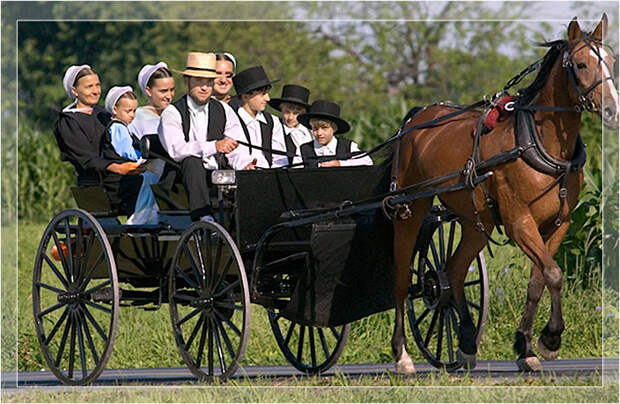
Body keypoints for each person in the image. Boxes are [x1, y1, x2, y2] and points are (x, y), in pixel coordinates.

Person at [158, 52, 254, 221]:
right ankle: (203, 216)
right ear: (187, 81)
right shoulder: (172, 113)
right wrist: (214, 146)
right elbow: (177, 150)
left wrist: (244, 164)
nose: (204, 88)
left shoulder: (223, 110)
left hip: (217, 178)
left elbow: (236, 144)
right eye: (199, 81)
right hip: (183, 180)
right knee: (191, 160)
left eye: (209, 82)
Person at [54, 65, 144, 215]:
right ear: (75, 91)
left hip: (122, 175)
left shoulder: (104, 114)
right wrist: (117, 167)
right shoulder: (68, 121)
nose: (96, 91)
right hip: (98, 183)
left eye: (97, 85)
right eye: (89, 87)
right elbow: (86, 158)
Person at [103, 86, 159, 225]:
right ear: (115, 110)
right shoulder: (117, 127)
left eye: (134, 111)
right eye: (128, 111)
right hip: (121, 178)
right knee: (151, 178)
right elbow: (125, 149)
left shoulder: (124, 128)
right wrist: (142, 158)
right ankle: (142, 218)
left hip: (128, 175)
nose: (132, 115)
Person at [232, 65, 288, 168]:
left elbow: (280, 157)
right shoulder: (232, 120)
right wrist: (244, 167)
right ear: (245, 97)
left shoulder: (273, 121)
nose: (268, 99)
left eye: (267, 93)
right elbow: (234, 154)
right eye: (263, 94)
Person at [297, 100, 373, 168]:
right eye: (315, 128)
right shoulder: (303, 149)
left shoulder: (348, 146)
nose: (319, 133)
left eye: (324, 128)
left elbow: (367, 162)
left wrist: (340, 164)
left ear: (334, 128)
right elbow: (294, 170)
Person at [268, 84, 313, 166]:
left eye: (296, 113)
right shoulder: (274, 130)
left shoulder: (311, 133)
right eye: (287, 112)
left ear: (303, 113)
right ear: (281, 110)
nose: (290, 117)